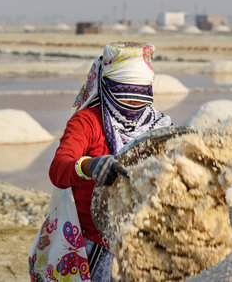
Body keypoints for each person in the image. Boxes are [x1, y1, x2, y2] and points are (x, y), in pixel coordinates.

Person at [29, 41, 172, 282]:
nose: (134, 105)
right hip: (94, 243)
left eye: (141, 96)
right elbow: (58, 169)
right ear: (106, 88)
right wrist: (90, 166)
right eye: (126, 96)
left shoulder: (161, 126)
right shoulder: (87, 122)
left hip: (144, 237)